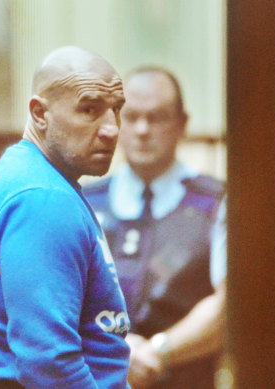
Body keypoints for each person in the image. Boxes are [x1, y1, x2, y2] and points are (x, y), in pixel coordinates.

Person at [0, 46, 131, 388]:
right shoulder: (41, 197)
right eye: (90, 110)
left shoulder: (33, 177)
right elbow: (49, 361)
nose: (112, 129)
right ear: (39, 114)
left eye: (116, 110)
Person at [84, 67, 226, 389]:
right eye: (131, 117)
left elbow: (227, 306)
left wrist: (157, 352)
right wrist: (116, 352)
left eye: (157, 117)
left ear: (182, 124)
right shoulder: (85, 203)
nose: (143, 129)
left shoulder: (216, 202)